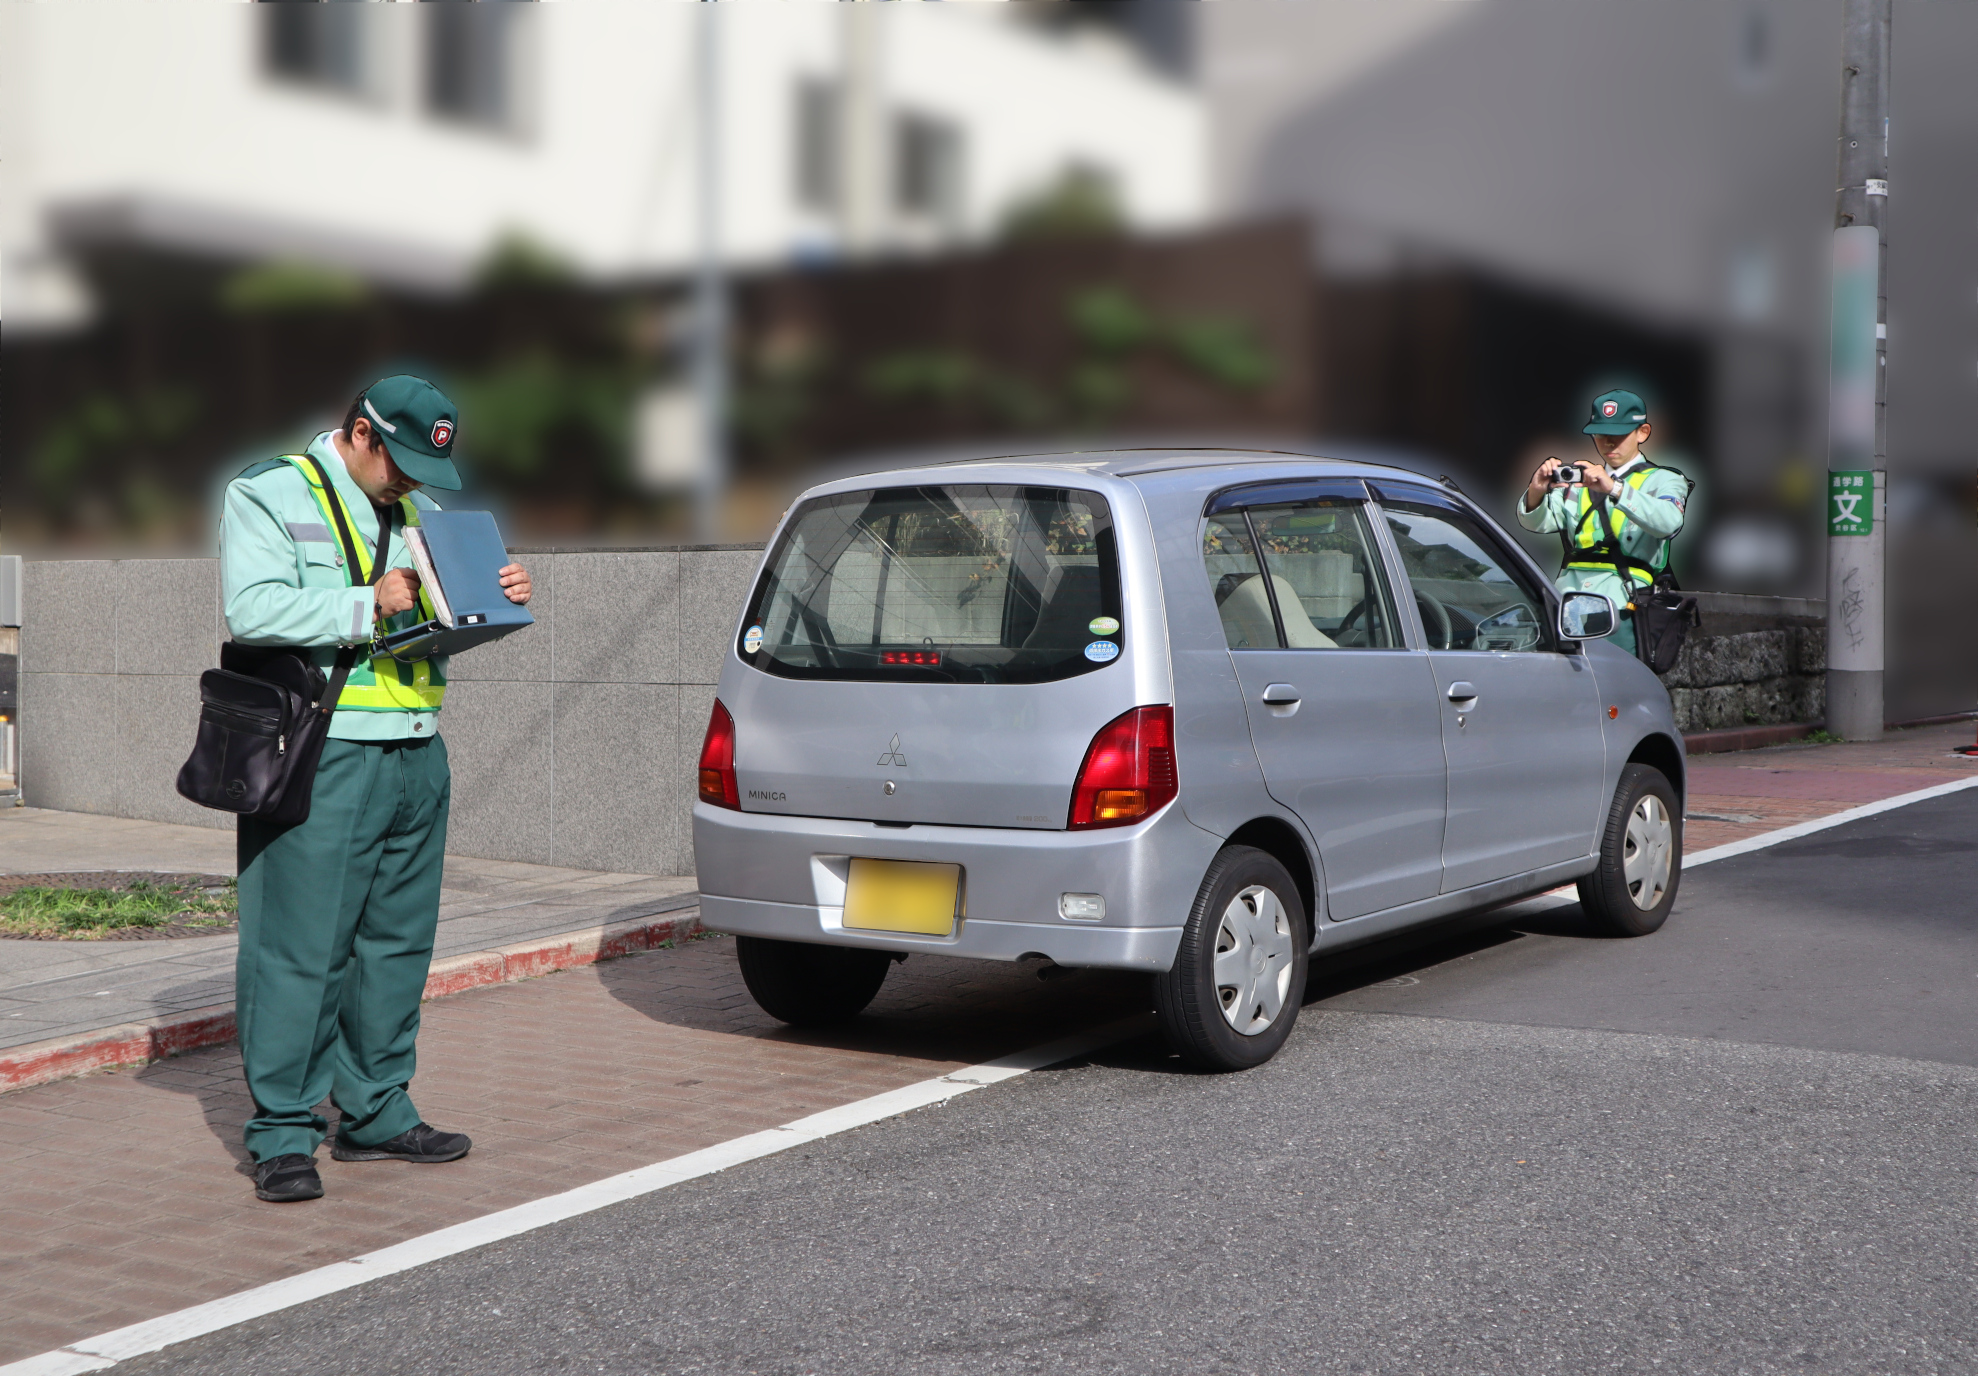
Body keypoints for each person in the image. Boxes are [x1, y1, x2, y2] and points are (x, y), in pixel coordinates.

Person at [219, 375, 532, 1203]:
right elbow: (251, 610)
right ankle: (284, 1134)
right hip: (324, 752)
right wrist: (369, 604)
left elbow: (421, 642)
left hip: (417, 754)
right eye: (396, 463)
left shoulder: (420, 518)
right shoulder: (270, 491)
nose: (409, 484)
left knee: (395, 947)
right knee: (303, 949)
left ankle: (377, 1112)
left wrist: (486, 609)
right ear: (359, 431)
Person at [1517, 389, 1689, 657]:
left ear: (1642, 433)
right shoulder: (1579, 480)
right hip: (1566, 602)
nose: (1608, 442)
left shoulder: (1664, 479)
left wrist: (1614, 488)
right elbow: (1537, 522)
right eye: (1600, 433)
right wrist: (1536, 489)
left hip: (1622, 602)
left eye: (1619, 434)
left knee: (1617, 689)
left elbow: (1668, 522)